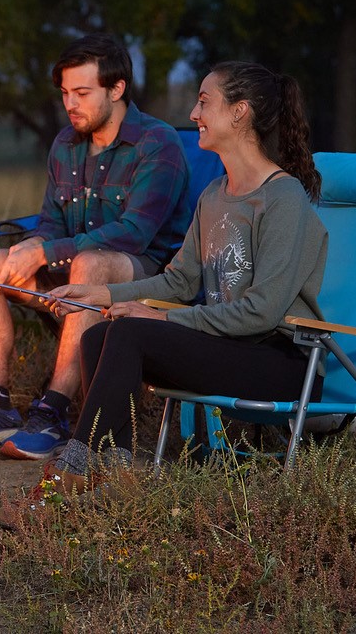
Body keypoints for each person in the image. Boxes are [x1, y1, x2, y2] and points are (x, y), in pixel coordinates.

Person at [41, 60, 326, 490]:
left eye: (204, 102)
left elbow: (263, 313)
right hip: (229, 348)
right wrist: (97, 292)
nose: (193, 114)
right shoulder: (215, 194)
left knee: (129, 332)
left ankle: (72, 472)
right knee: (97, 334)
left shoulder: (281, 198)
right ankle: (114, 471)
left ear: (239, 112)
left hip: (281, 362)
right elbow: (177, 282)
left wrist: (162, 319)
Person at [0, 33, 191, 460]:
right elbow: (52, 222)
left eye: (82, 93)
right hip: (72, 267)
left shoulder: (157, 144)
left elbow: (135, 232)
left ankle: (53, 412)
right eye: (65, 93)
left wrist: (48, 252)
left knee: (90, 263)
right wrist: (31, 246)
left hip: (142, 274)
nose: (70, 104)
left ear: (116, 88)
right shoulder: (65, 145)